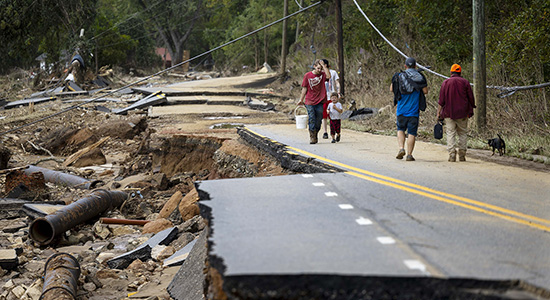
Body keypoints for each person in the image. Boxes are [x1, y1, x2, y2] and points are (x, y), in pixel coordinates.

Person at [390, 57, 428, 161]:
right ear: (415, 66)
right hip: (413, 112)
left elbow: (391, 89)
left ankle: (401, 148)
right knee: (412, 133)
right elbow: (425, 91)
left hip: (401, 110)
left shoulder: (398, 76)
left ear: (405, 66)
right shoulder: (419, 76)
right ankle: (409, 155)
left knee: (400, 129)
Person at [437, 64, 476, 162]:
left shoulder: (445, 83)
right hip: (463, 113)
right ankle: (462, 155)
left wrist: (438, 113)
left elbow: (441, 101)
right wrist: (472, 108)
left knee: (450, 133)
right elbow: (471, 98)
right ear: (460, 72)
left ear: (451, 72)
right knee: (462, 133)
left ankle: (452, 154)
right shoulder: (465, 82)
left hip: (448, 113)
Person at [297, 59, 331, 144]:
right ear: (314, 66)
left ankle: (315, 132)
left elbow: (328, 76)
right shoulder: (307, 75)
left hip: (320, 100)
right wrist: (301, 99)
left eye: (321, 69)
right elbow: (304, 88)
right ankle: (312, 135)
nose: (319, 70)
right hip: (309, 101)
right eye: (318, 68)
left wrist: (324, 66)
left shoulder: (323, 75)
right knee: (312, 118)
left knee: (319, 118)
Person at [321, 59, 340, 139]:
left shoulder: (333, 72)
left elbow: (337, 82)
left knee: (333, 114)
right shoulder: (320, 74)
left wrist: (338, 92)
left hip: (332, 96)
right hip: (323, 97)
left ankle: (335, 131)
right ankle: (325, 132)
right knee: (324, 116)